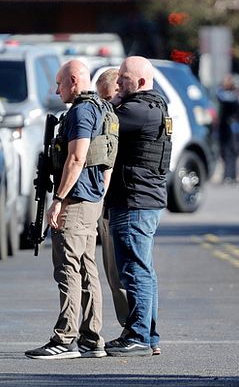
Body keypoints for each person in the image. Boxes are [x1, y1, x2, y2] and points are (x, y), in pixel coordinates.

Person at [25, 60, 112, 360]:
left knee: (68, 270)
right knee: (88, 270)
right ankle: (91, 338)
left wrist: (58, 199)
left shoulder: (81, 112)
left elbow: (77, 158)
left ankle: (65, 338)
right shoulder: (101, 108)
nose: (56, 88)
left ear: (74, 80)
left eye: (60, 82)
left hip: (76, 201)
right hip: (92, 199)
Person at [104, 56, 172, 357]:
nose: (118, 84)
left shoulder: (138, 109)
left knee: (133, 270)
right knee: (143, 269)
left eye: (123, 79)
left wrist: (113, 101)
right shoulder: (156, 106)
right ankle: (148, 334)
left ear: (141, 83)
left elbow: (101, 123)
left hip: (134, 202)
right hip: (143, 199)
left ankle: (138, 335)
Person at [94, 68, 128, 332]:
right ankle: (137, 329)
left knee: (118, 274)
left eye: (107, 98)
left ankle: (134, 329)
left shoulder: (121, 118)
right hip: (119, 203)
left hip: (115, 204)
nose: (105, 105)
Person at [216, 74, 239, 183]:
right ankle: (228, 175)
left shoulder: (236, 95)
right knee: (226, 151)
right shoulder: (228, 94)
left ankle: (231, 175)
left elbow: (222, 96)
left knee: (232, 151)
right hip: (226, 126)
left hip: (233, 127)